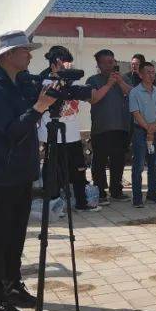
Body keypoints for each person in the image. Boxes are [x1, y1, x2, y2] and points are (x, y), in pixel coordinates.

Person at [0, 32, 56, 311]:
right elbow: (11, 130)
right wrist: (38, 108)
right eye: (25, 51)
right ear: (9, 55)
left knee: (15, 237)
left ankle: (12, 286)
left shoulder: (16, 84)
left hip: (20, 173)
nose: (30, 56)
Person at [38, 46, 90, 212]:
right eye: (63, 64)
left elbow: (78, 100)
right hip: (52, 135)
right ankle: (53, 204)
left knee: (78, 169)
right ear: (54, 64)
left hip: (73, 134)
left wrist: (67, 82)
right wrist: (59, 82)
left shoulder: (73, 82)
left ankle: (81, 202)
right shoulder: (44, 82)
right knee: (52, 170)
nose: (66, 68)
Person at [87, 49, 132, 206]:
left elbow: (133, 95)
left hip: (121, 127)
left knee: (118, 161)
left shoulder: (123, 78)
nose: (110, 65)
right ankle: (100, 192)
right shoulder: (93, 80)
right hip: (101, 128)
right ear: (99, 64)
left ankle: (116, 191)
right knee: (99, 162)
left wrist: (119, 82)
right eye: (106, 62)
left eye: (112, 61)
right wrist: (109, 84)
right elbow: (93, 99)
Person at [128, 62, 156, 208]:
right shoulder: (135, 92)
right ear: (140, 74)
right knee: (138, 165)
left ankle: (152, 194)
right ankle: (137, 197)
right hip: (140, 131)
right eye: (148, 72)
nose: (152, 75)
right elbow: (135, 113)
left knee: (155, 164)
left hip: (155, 130)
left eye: (153, 72)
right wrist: (147, 128)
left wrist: (154, 127)